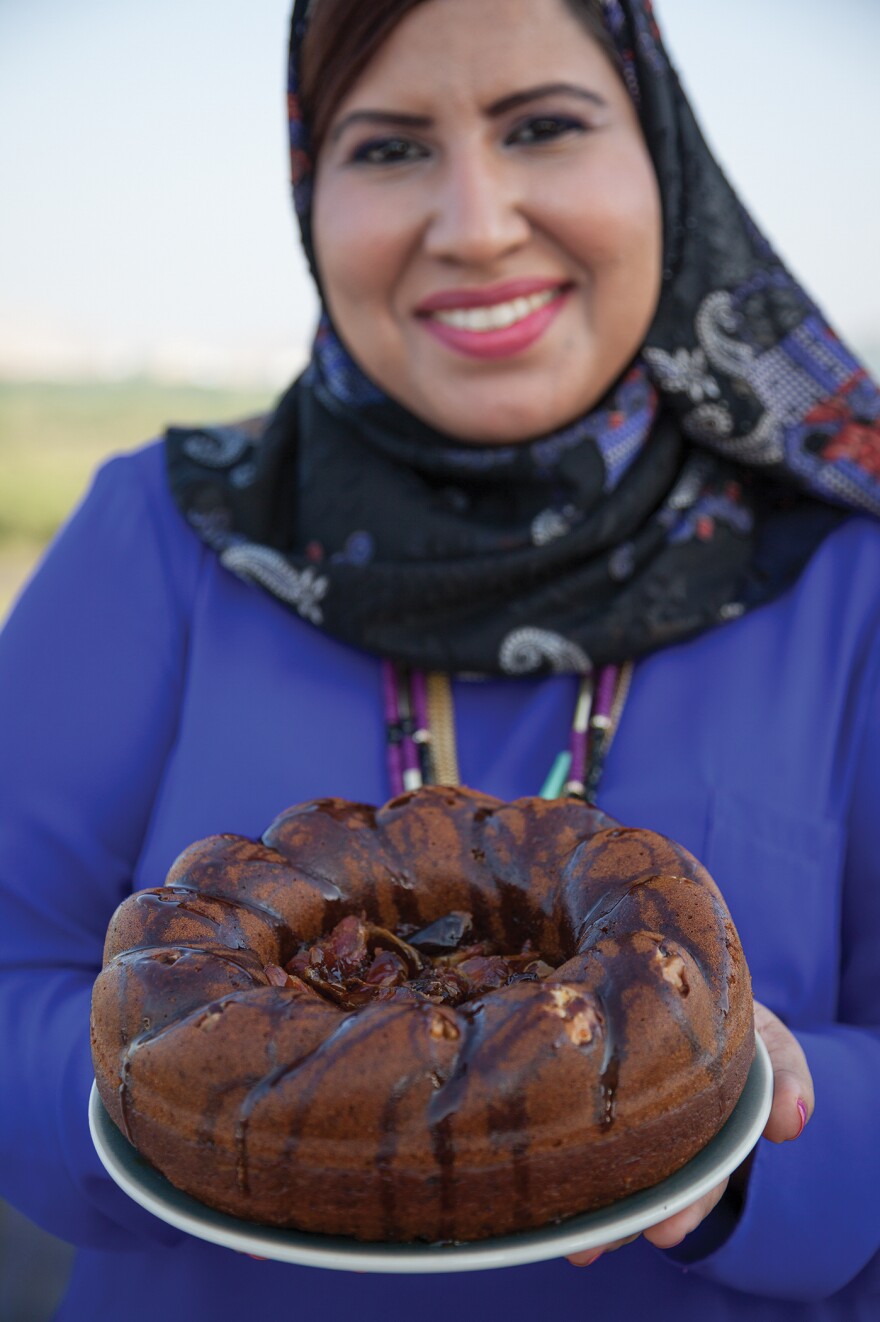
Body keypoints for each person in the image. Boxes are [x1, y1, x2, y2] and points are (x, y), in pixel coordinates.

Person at [1, 0, 879, 1317]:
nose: (474, 222)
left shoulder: (848, 572)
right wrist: (207, 1091)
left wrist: (747, 1129)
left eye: (542, 126)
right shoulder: (163, 538)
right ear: (310, 184)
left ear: (664, 154)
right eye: (389, 147)